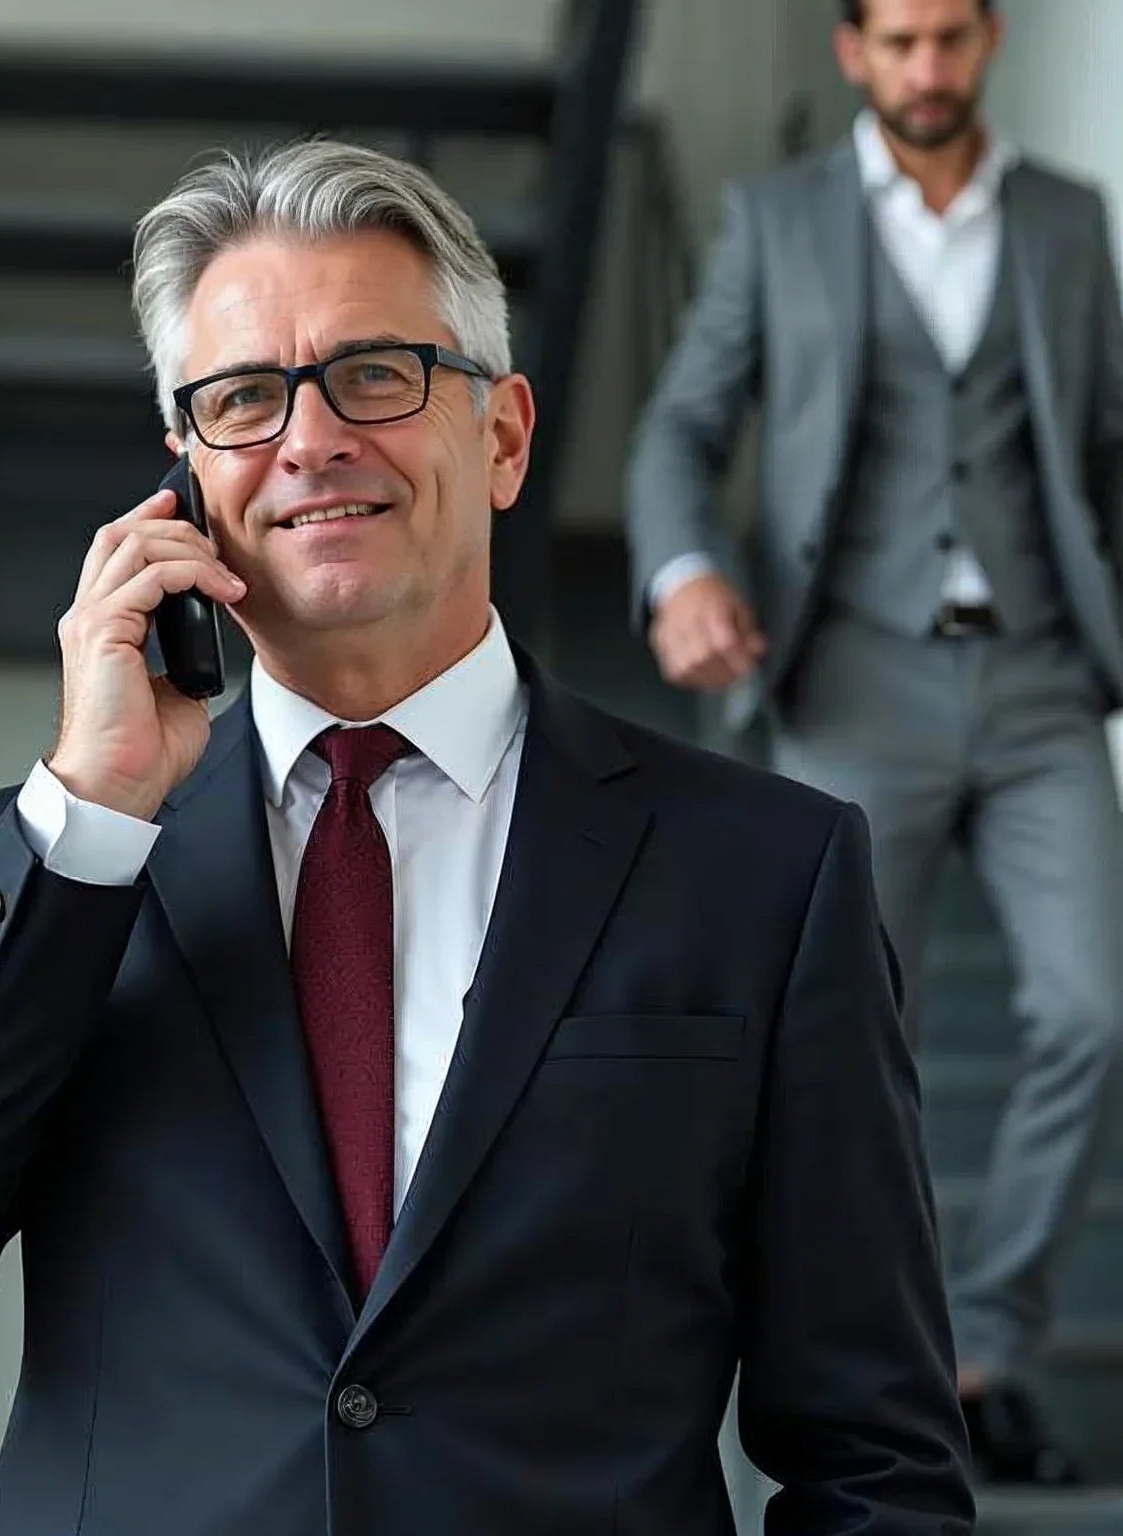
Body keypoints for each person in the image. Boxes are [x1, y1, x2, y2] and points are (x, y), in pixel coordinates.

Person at [0, 139, 973, 1534]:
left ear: (501, 436)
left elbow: (876, 1459)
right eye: (245, 400)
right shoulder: (34, 861)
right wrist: (82, 812)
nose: (310, 439)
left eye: (374, 376)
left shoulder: (765, 873)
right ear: (187, 476)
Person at [625, 0, 1123, 1487]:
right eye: (898, 41)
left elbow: (1103, 450)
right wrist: (683, 571)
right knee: (856, 1049)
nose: (927, 68)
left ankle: (993, 1348)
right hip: (849, 681)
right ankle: (875, 1372)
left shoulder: (1065, 220)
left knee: (1095, 1015)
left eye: (953, 39)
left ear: (988, 45)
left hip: (1038, 680)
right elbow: (677, 432)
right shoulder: (778, 221)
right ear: (854, 51)